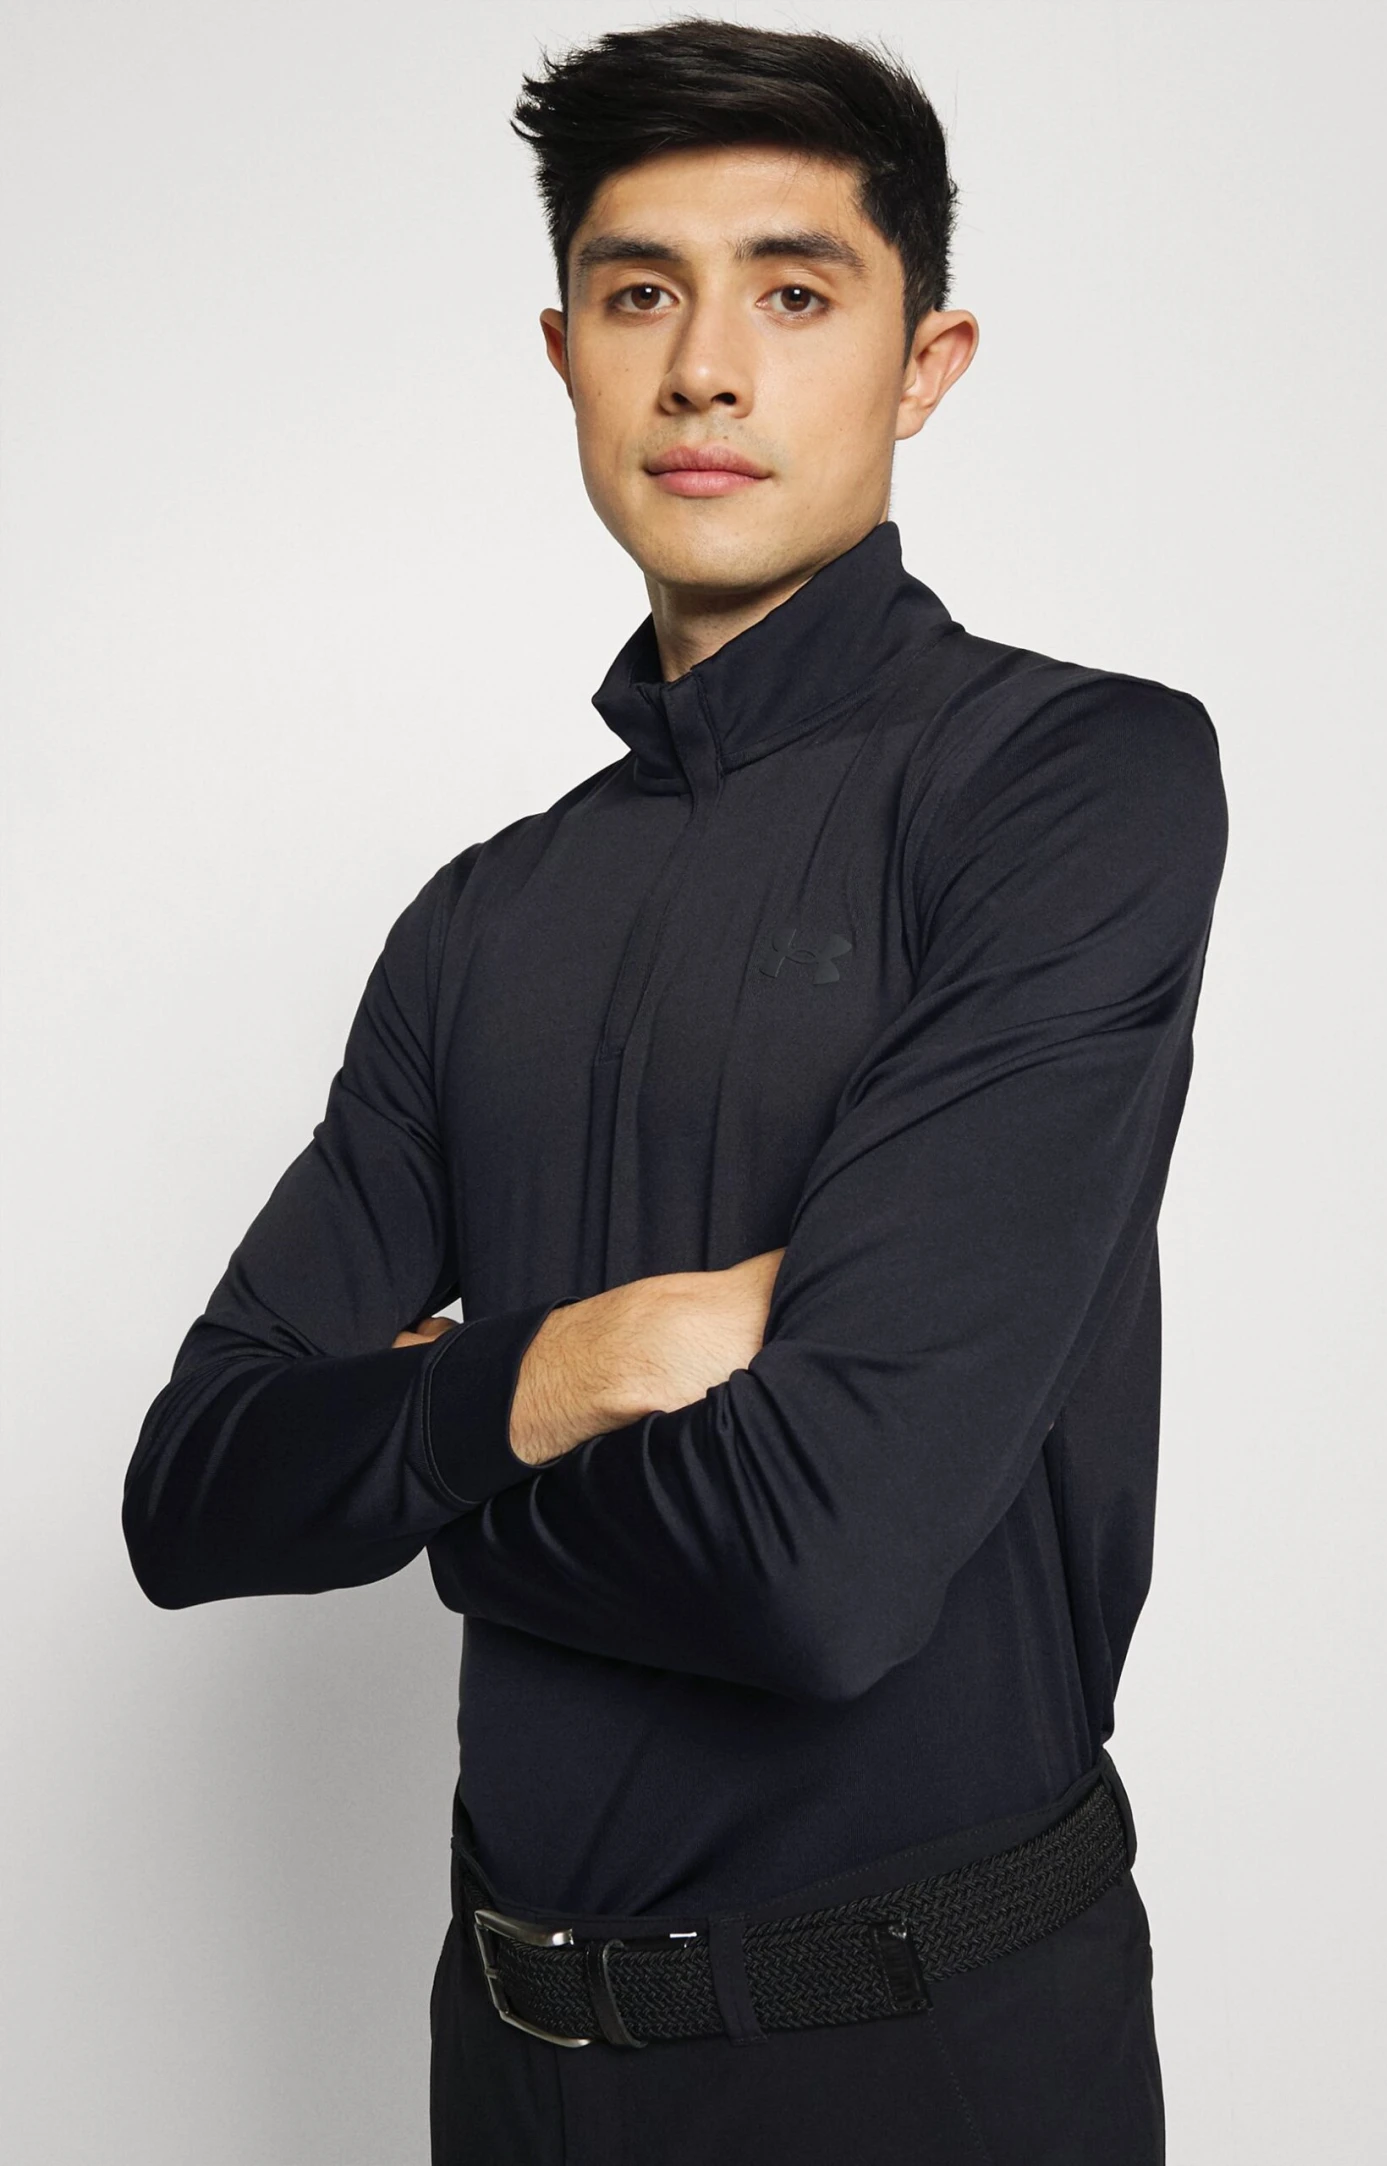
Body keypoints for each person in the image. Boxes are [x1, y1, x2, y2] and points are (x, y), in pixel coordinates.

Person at [124, 19, 1228, 2163]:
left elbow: (826, 1570)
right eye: (642, 293)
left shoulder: (1072, 783)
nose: (706, 369)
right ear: (565, 355)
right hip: (512, 2065)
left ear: (925, 361)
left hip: (925, 2063)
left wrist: (429, 1474)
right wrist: (570, 1369)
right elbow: (194, 1496)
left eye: (795, 294)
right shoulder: (480, 916)